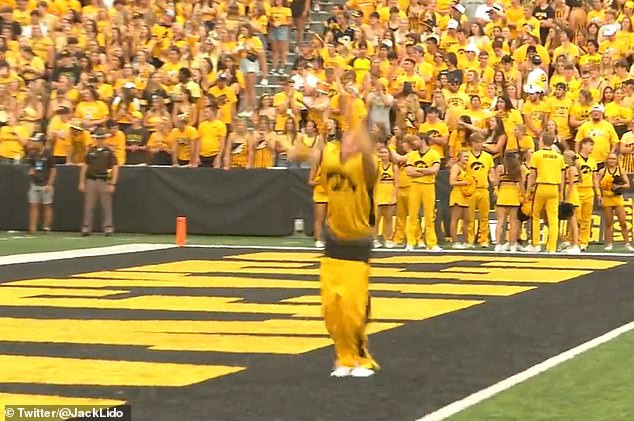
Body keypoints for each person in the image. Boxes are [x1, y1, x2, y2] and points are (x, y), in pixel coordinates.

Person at [290, 125, 379, 377]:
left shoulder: (367, 163)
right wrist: (304, 150)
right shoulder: (329, 153)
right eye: (349, 136)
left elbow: (371, 169)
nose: (352, 141)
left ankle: (362, 359)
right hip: (333, 240)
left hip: (358, 242)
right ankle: (343, 357)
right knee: (331, 309)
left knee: (354, 308)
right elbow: (296, 153)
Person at [525, 132, 566, 253]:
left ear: (542, 140)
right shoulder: (559, 157)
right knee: (553, 219)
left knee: (536, 216)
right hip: (554, 188)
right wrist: (561, 192)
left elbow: (532, 174)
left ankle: (536, 244)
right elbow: (563, 176)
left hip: (541, 187)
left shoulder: (537, 155)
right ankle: (551, 247)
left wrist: (528, 190)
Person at [405, 133, 441, 251]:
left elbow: (434, 170)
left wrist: (418, 170)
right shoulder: (413, 154)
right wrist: (426, 171)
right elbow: (409, 172)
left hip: (428, 186)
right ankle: (411, 242)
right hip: (414, 186)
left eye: (415, 140)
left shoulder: (434, 153)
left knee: (429, 216)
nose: (413, 143)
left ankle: (431, 243)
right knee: (412, 215)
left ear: (422, 140)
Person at [79, 129, 119, 236]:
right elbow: (85, 166)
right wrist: (82, 182)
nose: (100, 140)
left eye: (102, 138)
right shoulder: (91, 151)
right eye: (98, 138)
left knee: (106, 205)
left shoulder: (109, 152)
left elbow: (114, 167)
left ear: (105, 139)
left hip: (104, 180)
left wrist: (112, 183)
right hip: (91, 179)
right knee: (89, 205)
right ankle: (86, 227)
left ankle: (108, 227)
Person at [598, 153, 634, 251]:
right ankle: (609, 243)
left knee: (623, 222)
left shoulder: (620, 170)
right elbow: (597, 184)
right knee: (609, 223)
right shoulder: (602, 171)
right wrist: (600, 196)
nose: (611, 161)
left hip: (617, 198)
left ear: (616, 160)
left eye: (613, 159)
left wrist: (618, 186)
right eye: (610, 159)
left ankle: (627, 243)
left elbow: (627, 184)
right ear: (607, 160)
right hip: (607, 198)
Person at [466, 133, 495, 248]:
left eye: (481, 142)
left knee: (484, 216)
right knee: (470, 217)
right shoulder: (467, 156)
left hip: (483, 188)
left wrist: (494, 182)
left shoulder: (488, 157)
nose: (479, 144)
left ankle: (483, 239)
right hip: (470, 190)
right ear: (472, 143)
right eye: (477, 142)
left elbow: (491, 173)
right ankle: (470, 239)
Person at [25, 133, 56, 235]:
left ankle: (46, 227)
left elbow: (53, 170)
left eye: (36, 142)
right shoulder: (32, 154)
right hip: (35, 183)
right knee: (33, 205)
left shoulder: (48, 154)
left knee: (47, 206)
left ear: (41, 143)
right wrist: (31, 171)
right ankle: (32, 228)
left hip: (45, 183)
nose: (34, 143)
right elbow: (30, 166)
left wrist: (50, 184)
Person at [493, 150, 523, 252]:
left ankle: (497, 244)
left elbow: (496, 182)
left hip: (503, 195)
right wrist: (523, 196)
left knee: (500, 221)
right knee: (513, 222)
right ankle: (512, 245)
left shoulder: (500, 168)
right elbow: (522, 186)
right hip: (513, 195)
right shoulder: (518, 169)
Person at [575, 138, 599, 251]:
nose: (592, 148)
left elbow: (595, 179)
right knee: (576, 218)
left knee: (586, 219)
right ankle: (573, 241)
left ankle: (584, 242)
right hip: (577, 190)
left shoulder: (592, 161)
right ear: (583, 145)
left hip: (589, 191)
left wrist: (598, 193)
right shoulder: (575, 159)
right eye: (590, 145)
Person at [373, 143, 398, 248]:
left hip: (390, 194)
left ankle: (388, 239)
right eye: (381, 152)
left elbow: (397, 183)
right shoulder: (377, 165)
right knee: (376, 220)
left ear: (389, 154)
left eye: (385, 152)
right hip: (378, 195)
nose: (383, 155)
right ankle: (374, 239)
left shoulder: (394, 167)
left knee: (388, 219)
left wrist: (394, 196)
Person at [448, 151, 473, 249]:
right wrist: (464, 182)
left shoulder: (466, 168)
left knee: (467, 219)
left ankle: (466, 241)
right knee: (455, 219)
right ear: (459, 157)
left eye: (468, 156)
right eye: (464, 156)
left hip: (465, 195)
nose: (466, 158)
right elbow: (452, 181)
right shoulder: (456, 168)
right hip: (457, 194)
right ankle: (455, 242)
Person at [560, 150, 581, 254]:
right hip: (572, 194)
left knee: (573, 222)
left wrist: (566, 198)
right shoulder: (570, 168)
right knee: (571, 221)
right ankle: (571, 242)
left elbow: (571, 184)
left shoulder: (571, 169)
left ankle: (575, 244)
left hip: (571, 195)